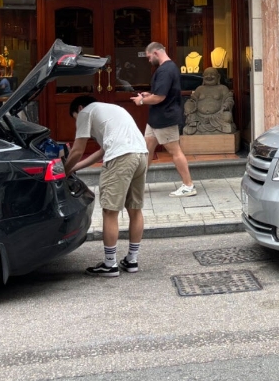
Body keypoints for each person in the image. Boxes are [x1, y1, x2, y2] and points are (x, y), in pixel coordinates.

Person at [64, 95, 149, 276]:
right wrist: (74, 169)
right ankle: (132, 260)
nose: (77, 123)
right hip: (141, 154)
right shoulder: (112, 109)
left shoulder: (86, 112)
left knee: (110, 211)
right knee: (135, 209)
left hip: (121, 157)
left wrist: (63, 171)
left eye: (75, 118)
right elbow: (102, 151)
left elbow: (77, 150)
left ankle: (110, 264)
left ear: (79, 108)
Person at [132, 41, 196, 197]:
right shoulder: (167, 68)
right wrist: (149, 95)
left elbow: (160, 97)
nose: (149, 61)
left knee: (175, 151)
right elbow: (161, 94)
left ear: (156, 53)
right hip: (156, 119)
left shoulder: (165, 70)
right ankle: (137, 185)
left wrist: (141, 101)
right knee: (146, 150)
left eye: (149, 57)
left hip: (165, 118)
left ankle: (188, 186)